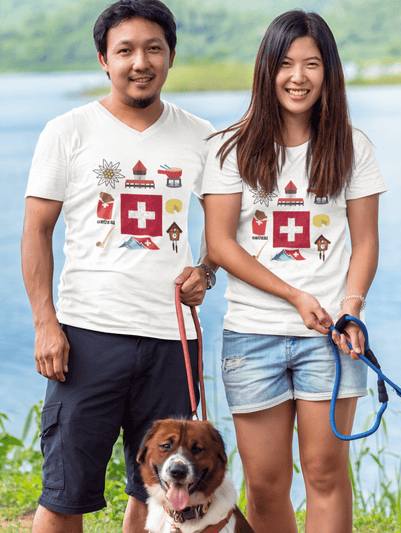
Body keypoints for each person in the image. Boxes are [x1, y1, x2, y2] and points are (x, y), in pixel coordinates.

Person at [20, 1, 217, 531]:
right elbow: (36, 231)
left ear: (171, 56)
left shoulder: (202, 136)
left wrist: (206, 269)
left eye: (154, 48)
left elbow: (224, 231)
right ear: (103, 59)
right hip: (87, 337)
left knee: (162, 492)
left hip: (173, 339)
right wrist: (45, 324)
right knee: (65, 491)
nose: (140, 61)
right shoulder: (68, 131)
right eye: (125, 50)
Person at [202, 10, 387, 533]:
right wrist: (293, 295)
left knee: (327, 474)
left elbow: (367, 243)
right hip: (251, 336)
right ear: (266, 70)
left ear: (329, 71)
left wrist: (350, 310)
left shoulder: (354, 145)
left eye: (311, 63)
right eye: (285, 64)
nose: (298, 76)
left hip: (331, 337)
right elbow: (219, 243)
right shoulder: (228, 148)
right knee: (265, 483)